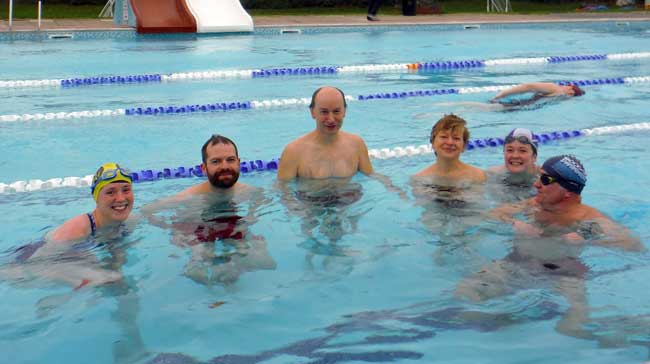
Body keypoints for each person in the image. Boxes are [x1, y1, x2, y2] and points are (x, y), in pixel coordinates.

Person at [456, 154, 643, 339]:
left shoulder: (588, 218)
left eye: (546, 179)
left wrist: (587, 236)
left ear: (569, 190)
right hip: (516, 263)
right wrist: (514, 224)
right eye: (539, 176)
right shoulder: (534, 204)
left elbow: (634, 245)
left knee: (572, 327)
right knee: (464, 294)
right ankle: (514, 321)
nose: (537, 184)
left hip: (563, 274)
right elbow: (491, 215)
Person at [142, 135, 275, 286]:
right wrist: (172, 228)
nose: (224, 166)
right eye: (216, 161)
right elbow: (147, 211)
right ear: (204, 168)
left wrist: (252, 216)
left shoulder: (250, 191)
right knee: (199, 266)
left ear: (239, 163)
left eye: (230, 160)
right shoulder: (188, 197)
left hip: (230, 223)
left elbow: (261, 199)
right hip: (197, 227)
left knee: (266, 262)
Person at [4, 162, 135, 288]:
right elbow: (36, 263)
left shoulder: (121, 222)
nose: (121, 198)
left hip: (68, 256)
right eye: (110, 192)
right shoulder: (78, 229)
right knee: (109, 278)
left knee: (113, 278)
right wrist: (66, 276)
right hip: (27, 260)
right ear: (97, 197)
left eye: (126, 190)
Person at [278, 86, 374, 180]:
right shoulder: (293, 152)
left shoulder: (356, 144)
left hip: (351, 195)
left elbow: (371, 176)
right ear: (312, 112)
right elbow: (284, 191)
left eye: (336, 111)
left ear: (344, 111)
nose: (331, 119)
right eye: (324, 112)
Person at [413, 114, 486, 185]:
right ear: (433, 143)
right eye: (444, 137)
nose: (450, 142)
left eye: (456, 138)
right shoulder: (421, 180)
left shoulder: (477, 177)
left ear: (463, 146)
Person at [486, 128, 539, 202]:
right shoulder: (493, 174)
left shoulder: (543, 175)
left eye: (522, 151)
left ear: (534, 157)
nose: (515, 156)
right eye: (510, 150)